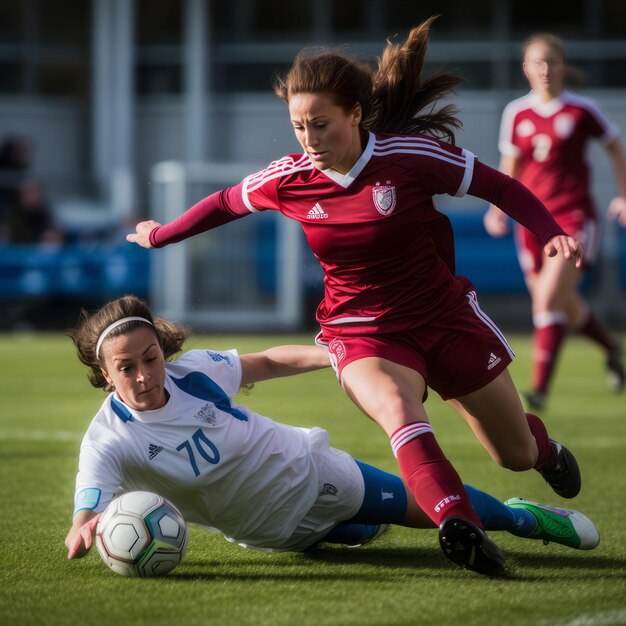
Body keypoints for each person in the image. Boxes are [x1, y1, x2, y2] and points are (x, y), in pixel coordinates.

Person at [126, 17, 586, 576]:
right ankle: (457, 524)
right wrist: (160, 234)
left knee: (514, 455)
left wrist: (551, 229)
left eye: (321, 125)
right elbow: (224, 203)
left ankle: (546, 452)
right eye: (298, 126)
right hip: (360, 328)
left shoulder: (411, 157)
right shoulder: (289, 177)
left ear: (356, 114)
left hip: (443, 317)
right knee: (398, 409)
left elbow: (499, 185)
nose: (309, 140)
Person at [65, 296, 600, 577]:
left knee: (433, 513)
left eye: (151, 358)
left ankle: (524, 517)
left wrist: (335, 353)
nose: (142, 375)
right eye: (126, 367)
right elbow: (90, 498)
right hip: (269, 532)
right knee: (362, 537)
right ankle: (356, 527)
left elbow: (269, 360)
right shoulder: (108, 439)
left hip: (313, 472)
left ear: (163, 352)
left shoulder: (196, 373)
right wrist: (83, 526)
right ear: (104, 373)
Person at [484, 33, 626, 410]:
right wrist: (497, 208)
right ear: (525, 69)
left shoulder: (581, 110)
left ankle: (539, 390)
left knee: (548, 299)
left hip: (573, 217)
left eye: (552, 62)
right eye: (537, 63)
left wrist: (624, 195)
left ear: (563, 66)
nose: (545, 70)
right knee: (561, 302)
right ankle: (612, 347)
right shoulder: (517, 112)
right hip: (530, 220)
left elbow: (614, 144)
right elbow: (510, 166)